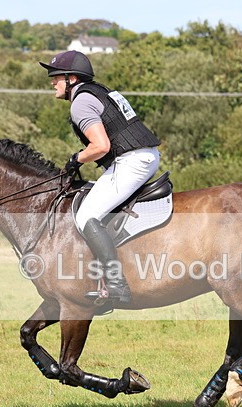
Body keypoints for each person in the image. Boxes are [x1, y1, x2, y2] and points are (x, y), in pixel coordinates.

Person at [40, 50, 161, 303]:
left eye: (56, 77)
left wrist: (76, 159)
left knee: (86, 215)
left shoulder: (81, 102)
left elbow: (101, 146)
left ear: (71, 78)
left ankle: (117, 285)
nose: (52, 82)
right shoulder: (98, 91)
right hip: (138, 156)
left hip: (131, 161)